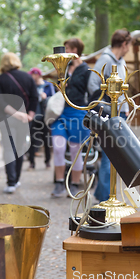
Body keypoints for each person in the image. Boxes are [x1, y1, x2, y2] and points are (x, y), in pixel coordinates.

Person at [87, 29, 133, 203]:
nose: (129, 48)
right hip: (110, 113)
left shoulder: (121, 61)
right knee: (111, 156)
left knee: (115, 155)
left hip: (120, 112)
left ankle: (102, 195)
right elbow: (93, 85)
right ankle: (106, 198)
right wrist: (106, 108)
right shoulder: (105, 60)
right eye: (129, 45)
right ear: (124, 44)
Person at [50, 38, 91, 198]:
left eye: (66, 48)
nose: (64, 51)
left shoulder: (86, 69)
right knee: (58, 147)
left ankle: (74, 185)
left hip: (78, 113)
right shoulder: (64, 67)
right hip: (61, 112)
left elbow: (91, 91)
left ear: (74, 50)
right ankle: (59, 182)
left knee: (75, 150)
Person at [0, 52, 38, 194]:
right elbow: (35, 97)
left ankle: (11, 182)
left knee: (8, 149)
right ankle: (17, 180)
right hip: (25, 119)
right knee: (20, 148)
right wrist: (29, 115)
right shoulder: (28, 77)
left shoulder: (0, 79)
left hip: (7, 118)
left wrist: (15, 113)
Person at [27, 67, 55, 170]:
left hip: (45, 117)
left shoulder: (48, 85)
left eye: (32, 74)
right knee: (32, 140)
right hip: (34, 116)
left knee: (46, 140)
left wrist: (46, 98)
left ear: (37, 74)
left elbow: (54, 100)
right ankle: (31, 163)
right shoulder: (31, 86)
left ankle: (47, 162)